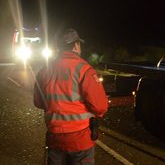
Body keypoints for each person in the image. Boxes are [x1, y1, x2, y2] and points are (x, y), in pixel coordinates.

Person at [33, 28, 109, 165]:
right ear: (75, 45)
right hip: (81, 140)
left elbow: (38, 102)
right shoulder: (84, 70)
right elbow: (100, 107)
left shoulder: (44, 70)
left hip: (54, 138)